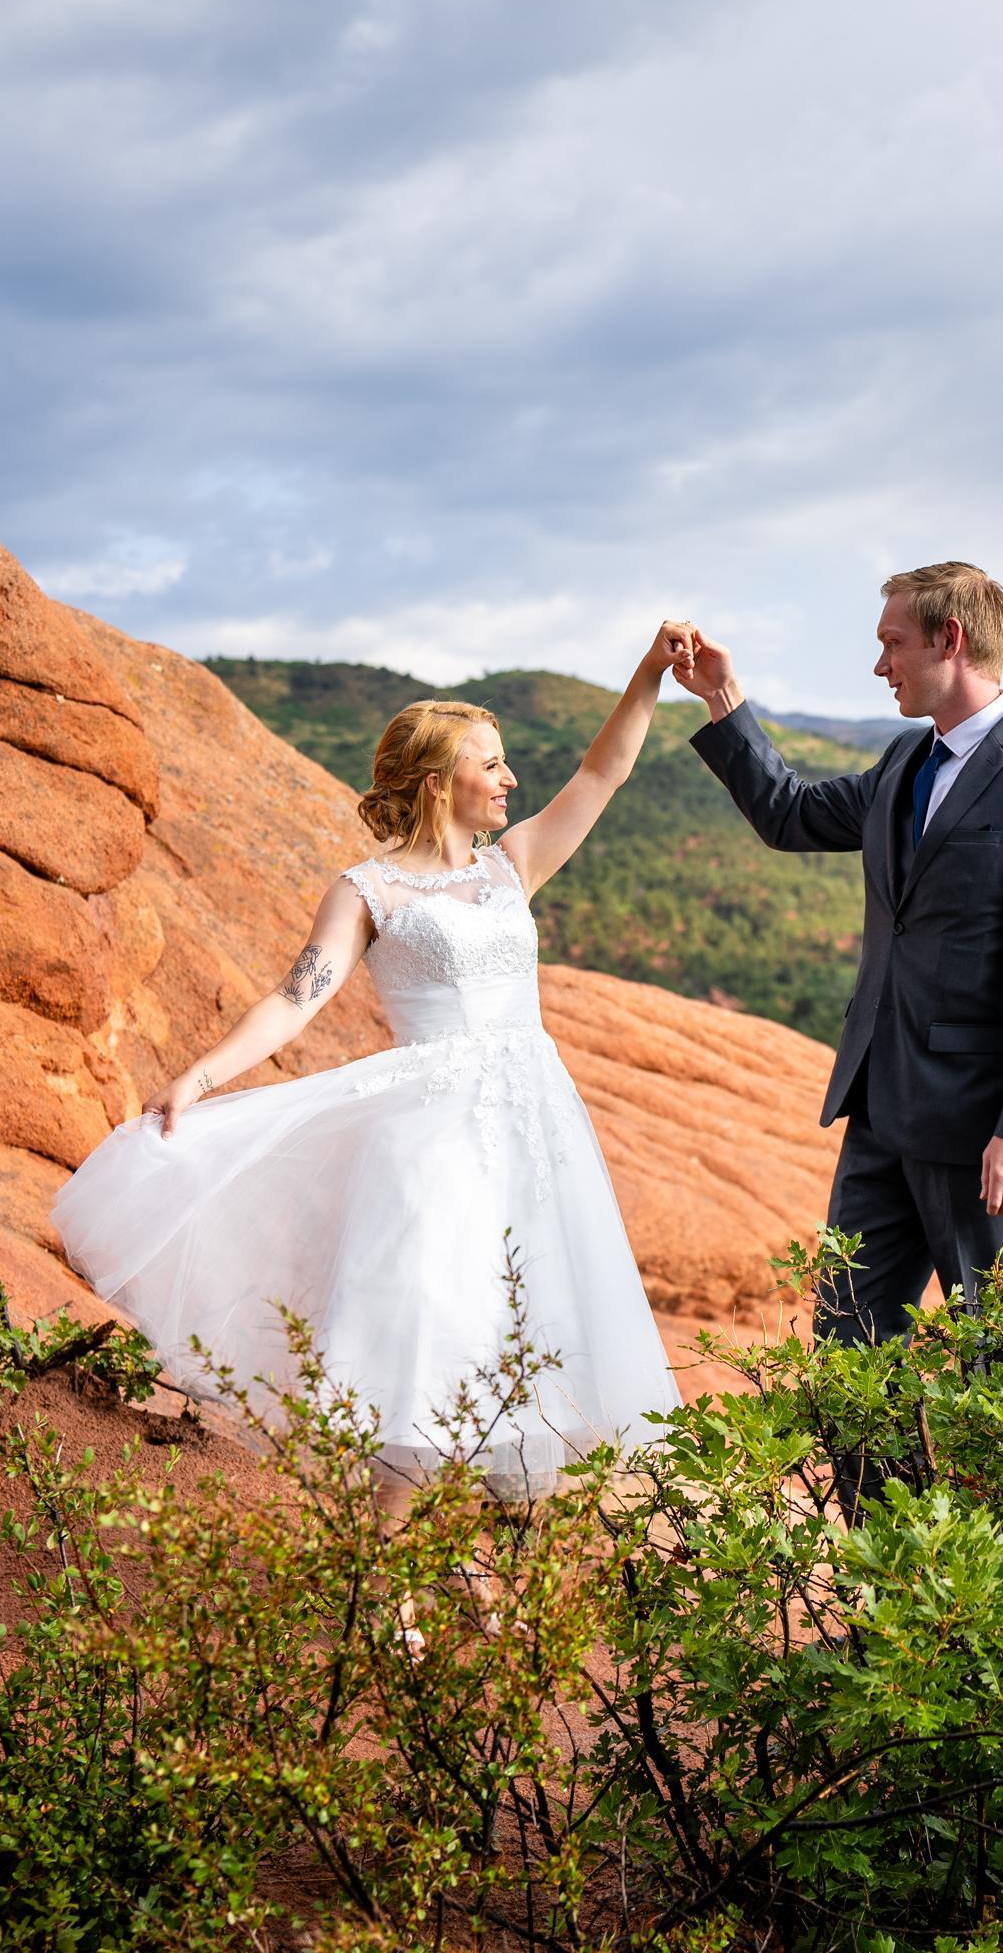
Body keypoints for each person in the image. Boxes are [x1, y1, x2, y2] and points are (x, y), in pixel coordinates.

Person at [50, 626, 694, 1493]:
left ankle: (504, 1557)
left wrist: (651, 673)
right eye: (492, 764)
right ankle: (386, 1565)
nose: (510, 778)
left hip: (535, 1130)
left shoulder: (513, 867)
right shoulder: (370, 890)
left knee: (535, 1327)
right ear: (439, 783)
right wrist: (198, 1079)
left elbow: (602, 774)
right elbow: (295, 998)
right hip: (431, 1138)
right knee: (426, 1336)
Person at [673, 561, 1003, 1424]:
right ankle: (875, 1519)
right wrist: (723, 697)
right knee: (848, 1365)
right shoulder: (905, 760)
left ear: (951, 639)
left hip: (985, 1136)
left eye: (892, 644)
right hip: (879, 1113)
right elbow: (789, 814)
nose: (881, 666)